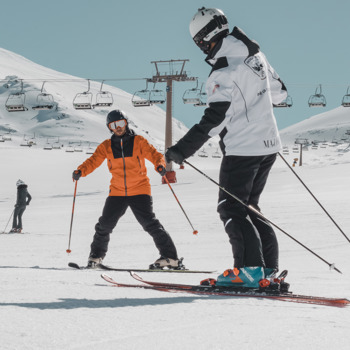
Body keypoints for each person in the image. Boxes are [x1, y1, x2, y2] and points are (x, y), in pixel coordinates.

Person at [165, 7, 288, 288]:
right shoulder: (255, 54)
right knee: (250, 206)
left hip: (243, 148)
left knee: (231, 208)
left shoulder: (222, 71)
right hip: (268, 144)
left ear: (202, 40)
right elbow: (280, 92)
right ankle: (267, 272)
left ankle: (248, 273)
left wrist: (181, 151)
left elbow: (214, 118)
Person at [72, 109, 182, 269]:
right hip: (117, 192)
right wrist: (81, 171)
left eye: (121, 123)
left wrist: (160, 165)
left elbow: (154, 155)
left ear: (126, 123)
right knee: (104, 225)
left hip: (139, 189)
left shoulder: (138, 141)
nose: (118, 127)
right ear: (109, 127)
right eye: (113, 125)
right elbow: (93, 160)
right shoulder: (106, 146)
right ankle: (95, 257)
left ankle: (170, 257)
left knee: (150, 224)